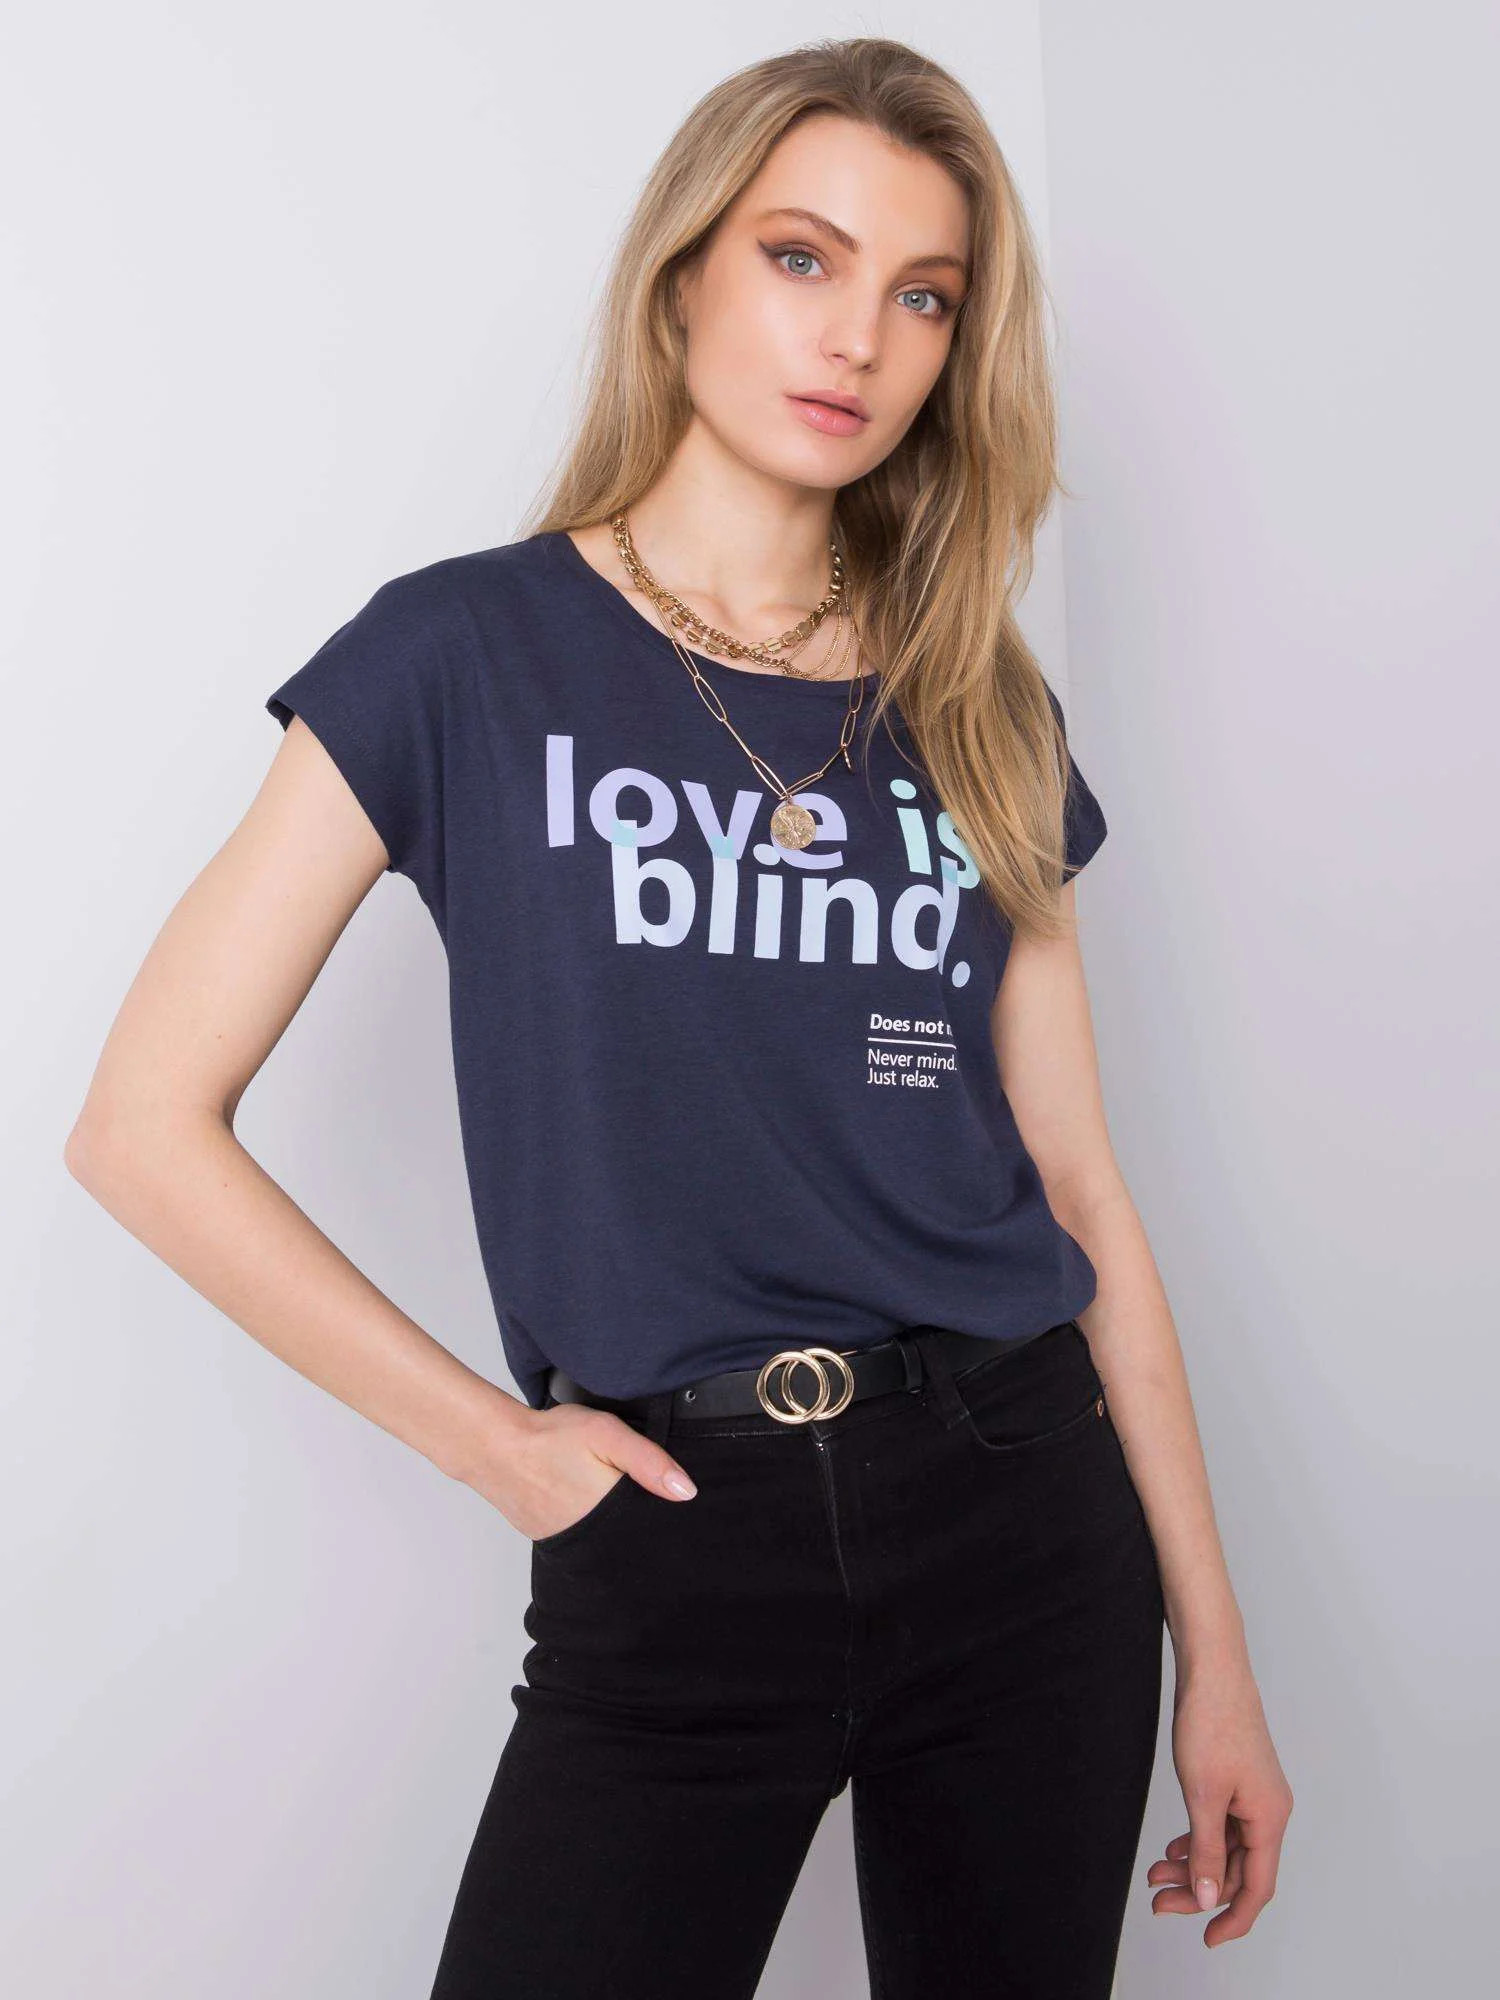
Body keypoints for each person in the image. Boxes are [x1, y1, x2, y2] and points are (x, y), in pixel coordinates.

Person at [65, 34, 1293, 1999]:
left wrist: (1217, 1657)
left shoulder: (980, 702)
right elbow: (140, 1124)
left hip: (1022, 1521)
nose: (859, 338)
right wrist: (494, 1446)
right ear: (683, 277)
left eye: (924, 295)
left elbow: (1081, 1193)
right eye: (802, 257)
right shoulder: (462, 652)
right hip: (672, 1535)